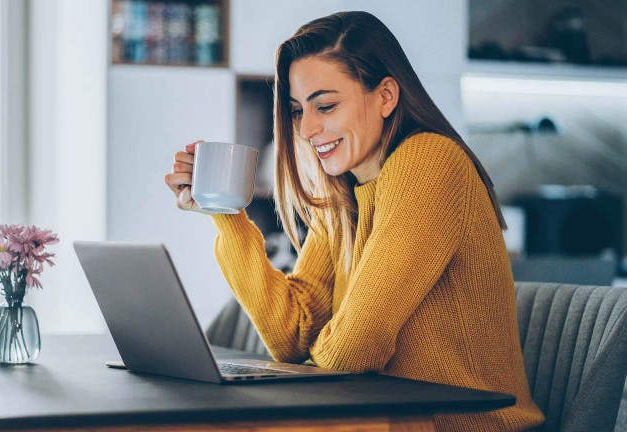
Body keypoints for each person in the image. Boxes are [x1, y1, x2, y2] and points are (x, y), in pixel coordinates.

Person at [165, 11, 543, 431]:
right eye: (296, 111)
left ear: (385, 96)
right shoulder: (343, 194)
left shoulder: (429, 162)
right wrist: (225, 213)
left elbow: (354, 350)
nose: (307, 129)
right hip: (386, 418)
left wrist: (307, 367)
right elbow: (292, 337)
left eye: (325, 105)